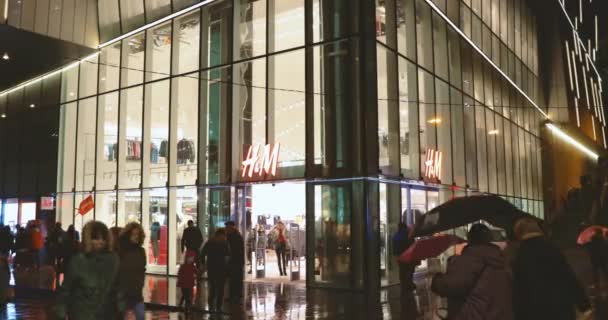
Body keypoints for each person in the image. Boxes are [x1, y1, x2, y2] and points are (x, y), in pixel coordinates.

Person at [512, 218, 590, 320]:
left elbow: (520, 289)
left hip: (535, 310)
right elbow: (567, 276)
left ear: (519, 233)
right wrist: (583, 304)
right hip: (560, 306)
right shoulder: (551, 248)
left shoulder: (520, 254)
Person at [431, 224, 513, 320]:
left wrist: (437, 280)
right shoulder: (502, 259)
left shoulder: (470, 259)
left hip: (474, 315)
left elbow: (453, 285)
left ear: (470, 239)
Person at [54, 221, 120, 320]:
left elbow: (117, 288)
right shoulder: (79, 260)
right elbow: (66, 289)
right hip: (82, 313)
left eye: (103, 238)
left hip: (106, 313)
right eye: (96, 238)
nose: (100, 241)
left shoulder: (113, 260)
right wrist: (61, 312)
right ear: (88, 239)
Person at [117, 223, 146, 320]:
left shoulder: (141, 251)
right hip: (123, 293)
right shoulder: (121, 251)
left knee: (140, 316)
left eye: (138, 234)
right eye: (133, 234)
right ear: (127, 235)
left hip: (137, 293)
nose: (136, 237)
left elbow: (142, 270)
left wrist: (140, 284)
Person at [200, 229, 230, 312]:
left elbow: (202, 254)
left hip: (215, 268)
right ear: (219, 235)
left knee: (216, 288)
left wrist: (203, 263)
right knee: (216, 288)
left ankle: (215, 306)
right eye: (223, 236)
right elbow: (227, 257)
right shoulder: (219, 243)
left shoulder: (212, 242)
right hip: (217, 268)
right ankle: (215, 306)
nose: (224, 237)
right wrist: (203, 264)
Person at [392, 222, 416, 295]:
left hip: (400, 256)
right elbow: (412, 245)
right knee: (409, 270)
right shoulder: (408, 235)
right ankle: (409, 285)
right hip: (408, 256)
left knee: (402, 271)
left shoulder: (395, 236)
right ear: (405, 227)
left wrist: (396, 256)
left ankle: (403, 285)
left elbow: (394, 247)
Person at [225, 221, 245, 304]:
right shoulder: (231, 235)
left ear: (232, 227)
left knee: (236, 278)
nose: (226, 229)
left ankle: (236, 296)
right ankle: (233, 296)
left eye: (227, 227)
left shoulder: (236, 236)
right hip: (234, 260)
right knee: (233, 279)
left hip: (236, 261)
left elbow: (236, 250)